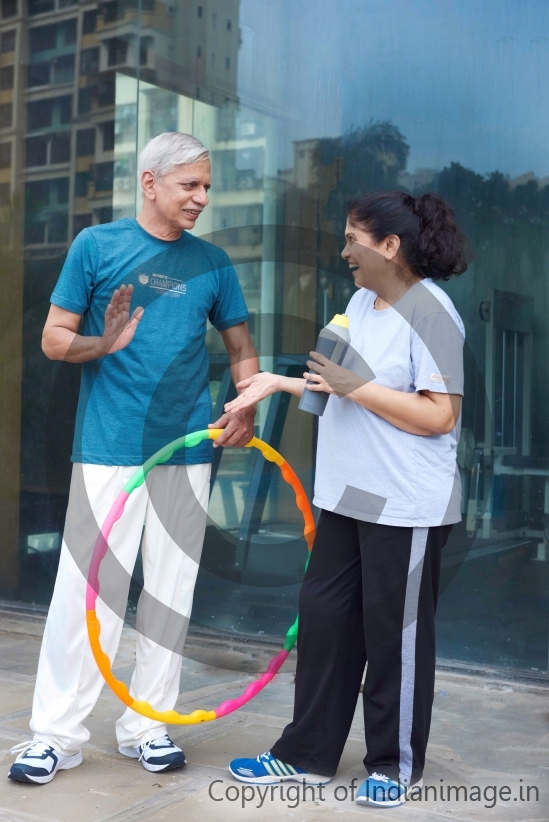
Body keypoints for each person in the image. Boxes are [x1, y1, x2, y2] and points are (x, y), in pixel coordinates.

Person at [8, 132, 258, 785]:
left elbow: (240, 349)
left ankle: (146, 726)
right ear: (150, 183)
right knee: (88, 594)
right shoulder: (97, 247)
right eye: (190, 186)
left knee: (169, 596)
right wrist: (105, 340)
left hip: (185, 449)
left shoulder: (213, 262)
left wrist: (245, 405)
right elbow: (54, 340)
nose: (202, 197)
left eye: (206, 185)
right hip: (109, 449)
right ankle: (54, 735)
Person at [226, 190, 469, 808]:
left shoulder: (432, 311)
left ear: (390, 246)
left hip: (407, 503)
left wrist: (355, 387)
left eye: (352, 240)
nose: (343, 253)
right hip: (346, 495)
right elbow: (327, 384)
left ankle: (393, 764)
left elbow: (439, 416)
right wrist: (274, 384)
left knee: (395, 636)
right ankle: (305, 756)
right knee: (329, 624)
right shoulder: (360, 303)